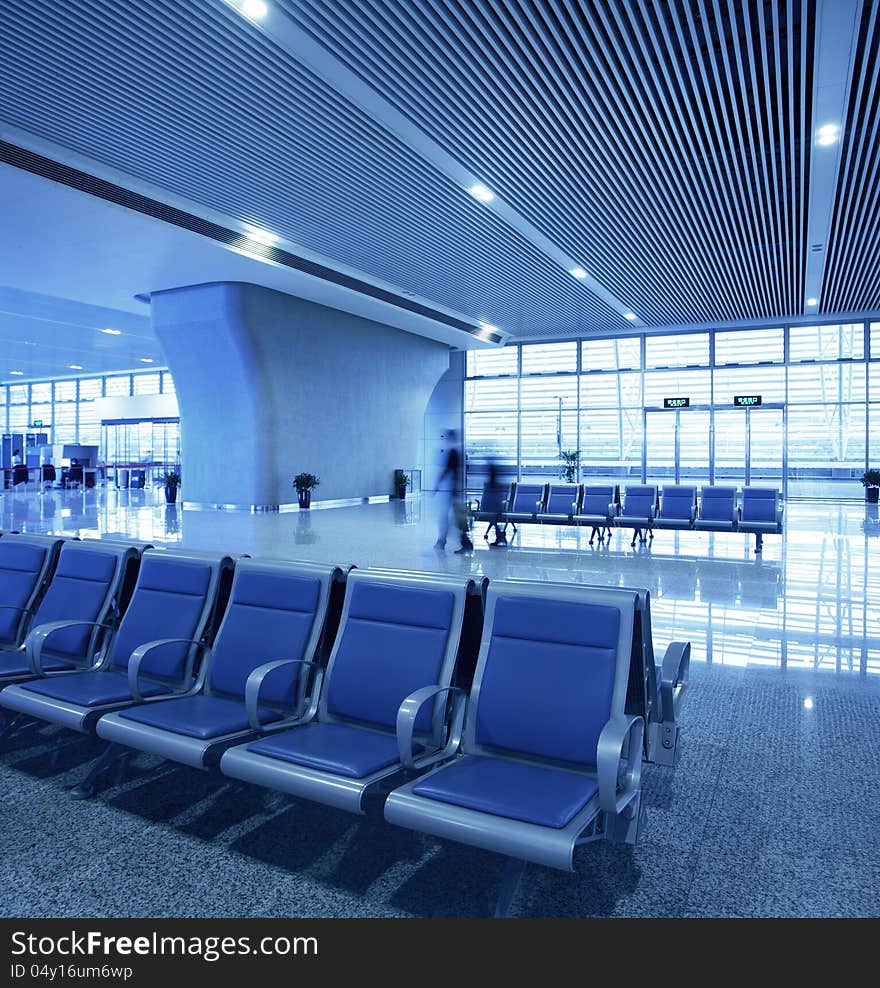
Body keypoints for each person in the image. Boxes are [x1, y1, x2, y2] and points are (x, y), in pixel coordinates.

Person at [433, 429, 473, 554]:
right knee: (456, 517)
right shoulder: (457, 452)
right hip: (455, 489)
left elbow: (446, 470)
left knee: (450, 517)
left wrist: (437, 484)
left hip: (452, 490)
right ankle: (446, 541)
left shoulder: (453, 452)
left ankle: (443, 541)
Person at [480, 458, 508, 546]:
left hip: (493, 506)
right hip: (495, 505)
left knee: (493, 519)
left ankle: (500, 536)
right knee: (494, 520)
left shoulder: (491, 483)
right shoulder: (495, 482)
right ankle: (500, 536)